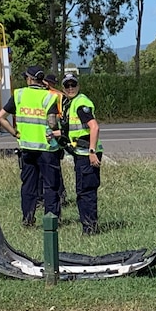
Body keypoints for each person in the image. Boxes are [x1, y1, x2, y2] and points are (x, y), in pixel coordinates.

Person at [0, 65, 63, 226]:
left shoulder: (19, 94)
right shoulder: (49, 97)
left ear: (30, 79)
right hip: (47, 149)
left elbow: (0, 118)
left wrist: (15, 133)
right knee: (51, 186)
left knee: (28, 186)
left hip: (26, 148)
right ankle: (52, 220)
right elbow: (53, 123)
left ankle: (28, 218)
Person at [60, 73, 103, 235]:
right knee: (83, 191)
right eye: (67, 85)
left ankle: (90, 228)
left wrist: (92, 151)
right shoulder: (72, 103)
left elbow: (94, 127)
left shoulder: (80, 104)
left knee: (86, 192)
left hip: (87, 155)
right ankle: (88, 227)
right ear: (63, 88)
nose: (70, 88)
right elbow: (75, 130)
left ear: (78, 85)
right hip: (81, 154)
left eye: (73, 85)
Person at [43, 73, 68, 205]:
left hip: (51, 133)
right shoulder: (60, 95)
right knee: (55, 167)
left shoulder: (49, 95)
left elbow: (53, 120)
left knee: (50, 168)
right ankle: (61, 194)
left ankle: (58, 194)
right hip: (56, 134)